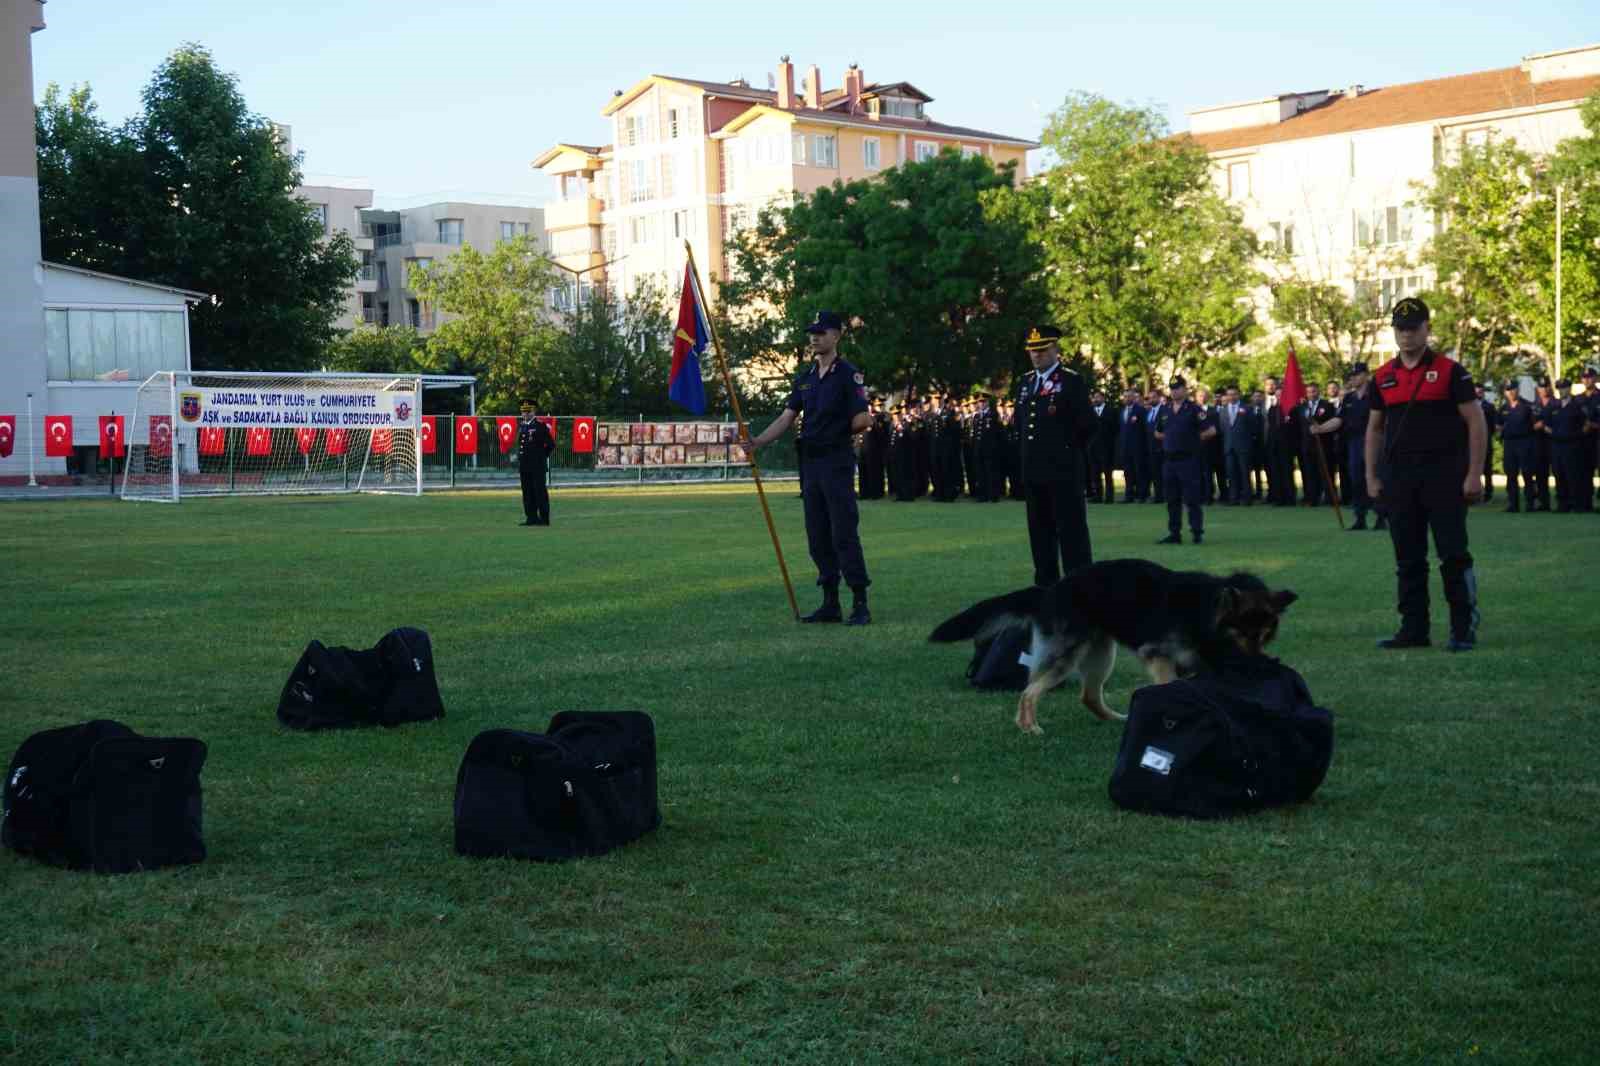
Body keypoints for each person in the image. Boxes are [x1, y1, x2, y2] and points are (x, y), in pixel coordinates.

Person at [1366, 297, 1487, 652]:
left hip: (1445, 476)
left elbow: (1475, 422)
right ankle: (1413, 629)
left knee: (1453, 554)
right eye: (1400, 329)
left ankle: (1462, 628)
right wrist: (1372, 477)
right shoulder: (1383, 376)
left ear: (1427, 328)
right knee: (1408, 558)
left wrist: (1474, 474)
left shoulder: (1451, 372)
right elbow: (1374, 429)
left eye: (1413, 328)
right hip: (1401, 479)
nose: (1406, 335)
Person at [741, 310, 873, 625]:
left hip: (836, 462)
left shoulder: (848, 374)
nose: (814, 337)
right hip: (810, 464)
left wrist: (847, 429)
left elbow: (863, 417)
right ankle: (830, 602)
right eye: (812, 332)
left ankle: (859, 602)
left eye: (821, 332)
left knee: (843, 533)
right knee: (817, 535)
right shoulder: (806, 377)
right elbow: (788, 418)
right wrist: (758, 442)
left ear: (837, 335)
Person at [1015, 325, 1096, 585]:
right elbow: (1021, 424)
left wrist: (1066, 453)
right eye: (1032, 351)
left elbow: (1088, 425)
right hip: (1034, 472)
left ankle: (1080, 589)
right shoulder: (1026, 383)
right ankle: (1045, 589)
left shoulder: (1070, 381)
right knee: (1040, 534)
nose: (1036, 355)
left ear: (1055, 349)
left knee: (1072, 534)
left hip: (1063, 472)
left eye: (1042, 350)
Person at [1154, 376, 1217, 544]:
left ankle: (1197, 532)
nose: (1174, 391)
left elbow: (1211, 430)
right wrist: (1170, 438)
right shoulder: (1165, 410)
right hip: (1169, 461)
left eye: (1178, 388)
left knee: (1192, 498)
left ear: (1185, 389)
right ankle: (1174, 533)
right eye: (1172, 388)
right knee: (1171, 499)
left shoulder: (1194, 409)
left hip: (1188, 461)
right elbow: (1157, 432)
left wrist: (1193, 440)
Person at [1318, 363, 1375, 529]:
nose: (1353, 378)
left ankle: (1382, 516)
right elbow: (1339, 420)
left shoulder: (1376, 394)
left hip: (1373, 442)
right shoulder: (1349, 398)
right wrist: (1321, 428)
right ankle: (1360, 518)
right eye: (1351, 376)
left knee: (1375, 478)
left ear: (1365, 375)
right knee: (1356, 480)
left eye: (1356, 375)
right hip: (1355, 443)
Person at [1543, 378, 1593, 512]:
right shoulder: (1554, 407)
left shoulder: (1578, 405)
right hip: (1557, 446)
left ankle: (1577, 504)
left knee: (1574, 476)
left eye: (1564, 387)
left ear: (1569, 388)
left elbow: (1587, 424)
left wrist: (1576, 436)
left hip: (1573, 447)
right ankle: (1562, 504)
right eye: (1559, 388)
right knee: (1559, 475)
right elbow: (1546, 426)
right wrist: (1555, 433)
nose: (1561, 390)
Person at [1498, 380, 1537, 513]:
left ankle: (1530, 503)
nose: (1511, 392)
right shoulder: (1503, 408)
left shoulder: (1526, 406)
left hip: (1524, 443)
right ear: (1505, 392)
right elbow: (1498, 425)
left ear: (1518, 390)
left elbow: (1535, 424)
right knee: (1511, 475)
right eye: (1508, 390)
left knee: (1527, 474)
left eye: (1513, 389)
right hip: (1509, 444)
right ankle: (1513, 504)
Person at [517, 402, 555, 526]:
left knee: (539, 492)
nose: (525, 414)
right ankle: (531, 517)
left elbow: (551, 444)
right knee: (527, 493)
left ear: (533, 412)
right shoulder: (522, 426)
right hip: (525, 466)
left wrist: (541, 457)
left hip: (537, 466)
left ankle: (544, 519)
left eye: (528, 411)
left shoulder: (540, 426)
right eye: (523, 411)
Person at [1297, 384, 1335, 507]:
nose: (1311, 394)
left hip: (1324, 445)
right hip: (1308, 446)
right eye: (1308, 392)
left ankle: (1330, 498)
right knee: (1310, 473)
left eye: (1313, 391)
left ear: (1318, 392)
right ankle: (1313, 498)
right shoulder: (1302, 407)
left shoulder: (1327, 405)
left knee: (1326, 472)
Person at [1219, 385, 1258, 506]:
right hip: (1229, 447)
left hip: (1243, 447)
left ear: (1239, 395)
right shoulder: (1223, 410)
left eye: (1234, 394)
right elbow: (1222, 428)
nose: (1232, 397)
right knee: (1231, 474)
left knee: (1244, 473)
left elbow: (1253, 427)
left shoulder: (1247, 408)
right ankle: (1233, 498)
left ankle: (1247, 498)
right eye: (1229, 394)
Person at [1116, 388, 1149, 502]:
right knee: (1127, 472)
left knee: (1139, 471)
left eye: (1129, 396)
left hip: (1138, 447)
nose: (1126, 398)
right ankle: (1129, 495)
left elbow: (1145, 429)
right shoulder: (1122, 411)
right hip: (1125, 447)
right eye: (1125, 396)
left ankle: (1141, 495)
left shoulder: (1140, 410)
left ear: (1133, 398)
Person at [1530, 379, 1556, 511]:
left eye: (1546, 386)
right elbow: (1528, 426)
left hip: (1555, 443)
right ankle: (1543, 503)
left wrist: (1546, 427)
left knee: (1559, 473)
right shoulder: (1533, 406)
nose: (1544, 389)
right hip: (1539, 444)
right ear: (1538, 389)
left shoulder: (1556, 404)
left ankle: (1564, 502)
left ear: (1550, 388)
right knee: (1541, 475)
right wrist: (1535, 426)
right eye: (1541, 387)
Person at [1475, 384, 1498, 503]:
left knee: (1487, 468)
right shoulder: (1470, 406)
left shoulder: (1489, 407)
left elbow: (1493, 426)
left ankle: (1488, 492)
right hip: (1472, 442)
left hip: (1485, 441)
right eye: (1476, 391)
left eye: (1480, 391)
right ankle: (1475, 492)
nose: (1478, 393)